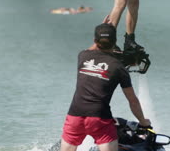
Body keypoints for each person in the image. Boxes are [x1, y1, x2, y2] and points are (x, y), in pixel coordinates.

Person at [60, 22, 151, 151]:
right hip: (99, 118)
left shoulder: (83, 56)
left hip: (75, 116)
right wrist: (143, 121)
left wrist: (105, 26)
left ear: (95, 40)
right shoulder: (118, 67)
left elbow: (93, 47)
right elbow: (133, 101)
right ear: (114, 42)